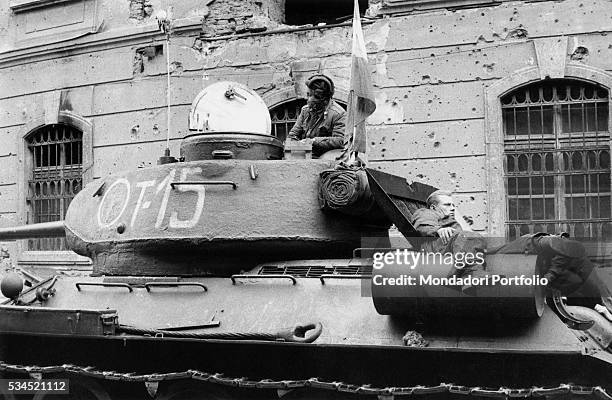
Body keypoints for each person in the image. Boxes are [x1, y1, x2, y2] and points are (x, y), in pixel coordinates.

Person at [288, 75, 347, 158]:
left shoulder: (338, 114)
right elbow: (293, 135)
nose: (306, 98)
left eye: (309, 95)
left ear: (323, 99)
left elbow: (341, 141)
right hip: (305, 155)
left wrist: (314, 141)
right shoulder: (305, 110)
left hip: (327, 158)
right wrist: (293, 145)